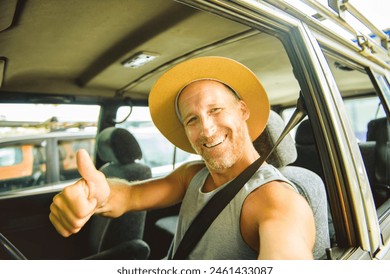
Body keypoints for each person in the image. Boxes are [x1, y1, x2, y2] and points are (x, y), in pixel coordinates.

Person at [49, 56, 315, 260]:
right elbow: (131, 196)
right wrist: (99, 195)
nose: (207, 129)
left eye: (216, 110)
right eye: (192, 119)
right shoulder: (192, 175)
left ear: (242, 110)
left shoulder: (277, 200)